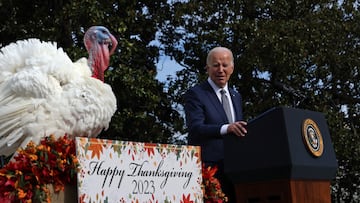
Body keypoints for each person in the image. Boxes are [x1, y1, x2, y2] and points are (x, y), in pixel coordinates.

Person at [184, 47, 247, 203]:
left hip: (236, 171)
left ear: (232, 68)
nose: (220, 70)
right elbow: (196, 128)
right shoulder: (196, 94)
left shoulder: (236, 96)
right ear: (207, 68)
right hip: (210, 172)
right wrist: (227, 128)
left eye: (225, 65)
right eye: (216, 65)